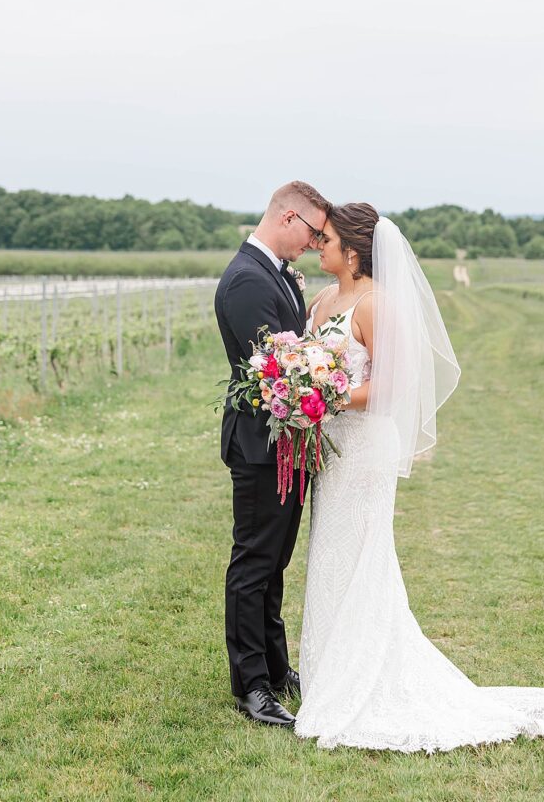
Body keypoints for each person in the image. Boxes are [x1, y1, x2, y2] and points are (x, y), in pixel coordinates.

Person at [295, 203, 544, 752]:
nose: (318, 245)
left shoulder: (375, 304)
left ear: (355, 250)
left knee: (363, 554)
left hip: (364, 449)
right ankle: (326, 672)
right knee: (330, 551)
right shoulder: (319, 302)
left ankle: (365, 677)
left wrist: (324, 394)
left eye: (327, 238)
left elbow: (389, 389)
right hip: (333, 449)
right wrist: (300, 392)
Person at [214, 180, 331, 727]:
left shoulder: (275, 274)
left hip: (285, 442)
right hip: (261, 446)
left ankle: (277, 667)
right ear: (287, 218)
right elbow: (279, 366)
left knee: (275, 562)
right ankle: (252, 685)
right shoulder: (245, 281)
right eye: (311, 233)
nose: (312, 244)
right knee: (254, 563)